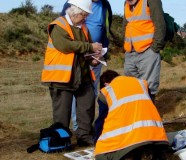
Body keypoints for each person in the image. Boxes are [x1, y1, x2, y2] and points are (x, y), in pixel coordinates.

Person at [41, 0, 103, 147]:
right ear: (74, 12)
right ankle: (61, 140)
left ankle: (84, 136)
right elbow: (66, 46)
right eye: (84, 14)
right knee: (62, 113)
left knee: (87, 105)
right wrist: (90, 47)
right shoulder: (58, 26)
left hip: (83, 76)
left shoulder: (84, 27)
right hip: (61, 78)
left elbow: (83, 52)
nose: (85, 18)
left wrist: (93, 60)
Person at [61, 0, 113, 131]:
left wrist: (102, 51)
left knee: (90, 92)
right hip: (77, 57)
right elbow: (65, 31)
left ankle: (85, 127)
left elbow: (106, 29)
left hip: (96, 55)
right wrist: (87, 47)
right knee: (74, 91)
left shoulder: (105, 5)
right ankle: (77, 125)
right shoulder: (73, 3)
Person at [94, 70, 169, 160]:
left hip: (130, 143)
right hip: (157, 138)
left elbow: (101, 122)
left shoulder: (107, 91)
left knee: (101, 156)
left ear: (106, 84)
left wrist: (97, 143)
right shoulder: (141, 83)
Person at [123, 0, 166, 102]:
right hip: (130, 52)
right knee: (131, 87)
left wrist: (155, 48)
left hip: (148, 51)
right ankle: (137, 114)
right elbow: (125, 25)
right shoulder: (126, 3)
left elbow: (160, 24)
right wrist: (125, 47)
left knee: (149, 88)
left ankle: (148, 115)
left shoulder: (151, 1)